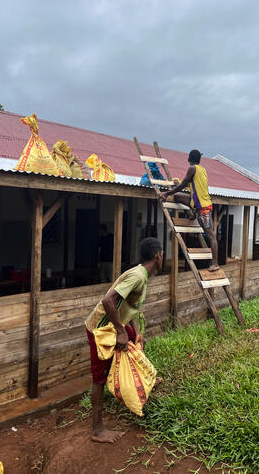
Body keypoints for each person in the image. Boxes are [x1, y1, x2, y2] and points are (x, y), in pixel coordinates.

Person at [85, 237, 163, 443]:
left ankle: (144, 380)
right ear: (158, 256)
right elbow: (108, 301)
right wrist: (121, 331)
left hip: (115, 322)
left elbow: (127, 305)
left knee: (137, 344)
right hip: (100, 329)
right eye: (163, 255)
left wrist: (134, 331)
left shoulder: (142, 274)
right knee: (99, 378)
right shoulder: (138, 276)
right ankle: (97, 429)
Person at [159, 149, 219, 272]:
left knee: (211, 236)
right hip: (196, 204)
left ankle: (215, 264)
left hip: (203, 208)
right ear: (199, 159)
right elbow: (189, 184)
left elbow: (183, 185)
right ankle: (192, 214)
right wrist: (177, 186)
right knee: (177, 197)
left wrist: (166, 193)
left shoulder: (192, 169)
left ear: (188, 159)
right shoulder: (202, 169)